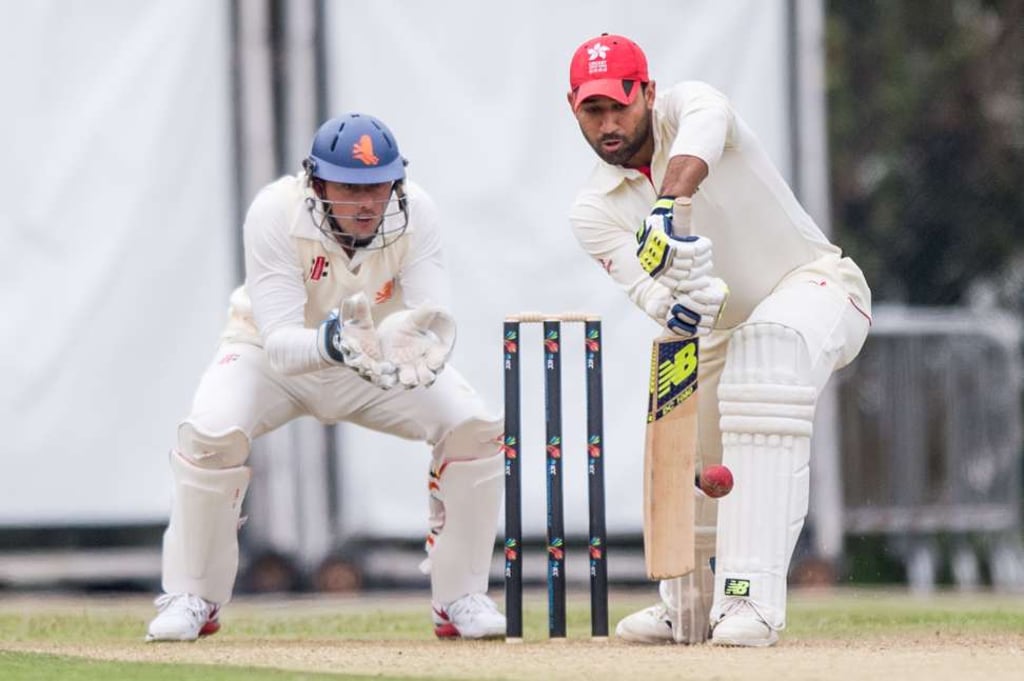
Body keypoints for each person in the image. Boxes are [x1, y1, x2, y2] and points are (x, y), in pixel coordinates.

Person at [145, 112, 506, 642]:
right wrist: (335, 342)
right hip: (270, 357)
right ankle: (192, 594)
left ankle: (460, 596)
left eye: (377, 186)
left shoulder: (418, 211)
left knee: (475, 428)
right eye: (349, 187)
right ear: (315, 182)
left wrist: (415, 343)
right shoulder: (274, 211)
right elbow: (281, 343)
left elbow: (434, 318)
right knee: (210, 432)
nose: (365, 203)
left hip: (374, 359)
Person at [565, 34, 871, 646]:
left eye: (620, 105)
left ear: (648, 93)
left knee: (766, 349)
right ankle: (688, 602)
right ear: (573, 109)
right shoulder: (593, 210)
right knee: (686, 433)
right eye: (593, 110)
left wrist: (668, 203)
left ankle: (749, 599)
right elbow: (651, 296)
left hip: (818, 287)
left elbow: (706, 127)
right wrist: (681, 306)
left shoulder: (691, 106)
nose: (609, 123)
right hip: (719, 332)